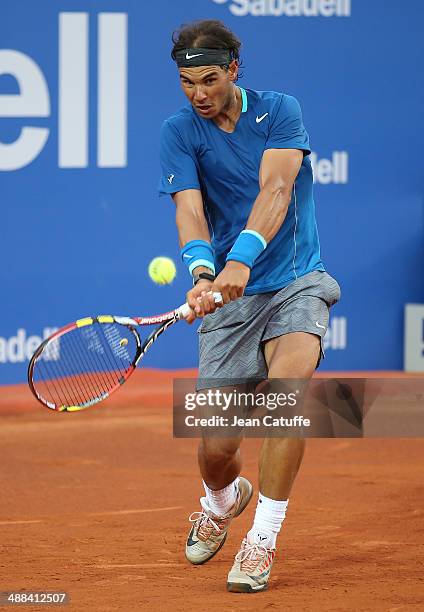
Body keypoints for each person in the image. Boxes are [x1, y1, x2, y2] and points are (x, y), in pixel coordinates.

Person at [158, 19, 340, 593]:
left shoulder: (280, 110)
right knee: (216, 447)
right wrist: (204, 272)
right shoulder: (178, 131)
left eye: (209, 79)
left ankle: (261, 540)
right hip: (231, 302)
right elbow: (190, 210)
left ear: (234, 70)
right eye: (188, 82)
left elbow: (277, 191)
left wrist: (241, 260)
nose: (199, 93)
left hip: (295, 280)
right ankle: (221, 500)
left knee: (288, 399)